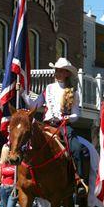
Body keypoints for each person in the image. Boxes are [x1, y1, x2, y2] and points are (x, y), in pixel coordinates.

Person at [21, 57, 89, 195]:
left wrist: (67, 118)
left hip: (62, 125)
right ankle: (24, 174)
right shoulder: (48, 88)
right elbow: (34, 105)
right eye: (56, 70)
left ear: (67, 73)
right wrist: (22, 92)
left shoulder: (73, 92)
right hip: (46, 124)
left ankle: (78, 179)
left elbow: (76, 114)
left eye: (60, 71)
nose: (57, 73)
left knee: (76, 147)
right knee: (26, 141)